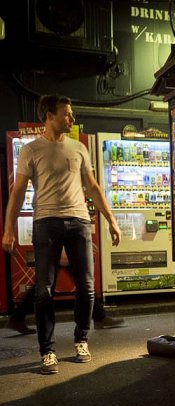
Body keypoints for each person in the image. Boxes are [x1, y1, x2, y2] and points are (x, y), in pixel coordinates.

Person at [2, 94, 122, 374]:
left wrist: (112, 221)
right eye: (67, 114)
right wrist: (8, 229)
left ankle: (81, 340)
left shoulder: (78, 148)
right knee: (44, 291)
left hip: (79, 222)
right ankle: (48, 351)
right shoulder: (31, 150)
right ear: (50, 115)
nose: (72, 118)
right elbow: (17, 192)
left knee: (88, 288)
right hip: (46, 223)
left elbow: (93, 187)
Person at [7, 248, 124, 335]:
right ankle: (99, 317)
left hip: (60, 245)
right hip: (61, 245)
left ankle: (17, 318)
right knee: (82, 281)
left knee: (44, 284)